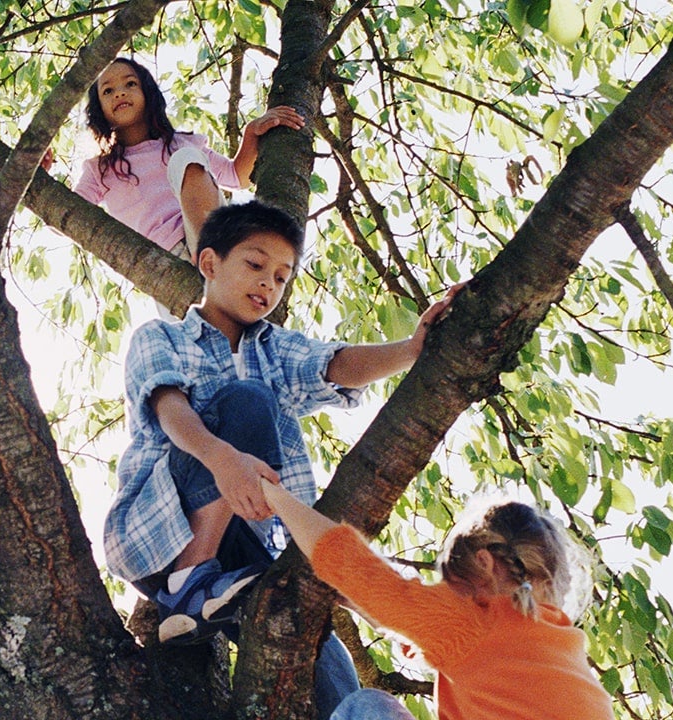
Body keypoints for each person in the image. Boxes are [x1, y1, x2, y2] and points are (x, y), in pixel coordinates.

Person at [104, 200, 460, 717]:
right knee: (247, 401)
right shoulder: (162, 337)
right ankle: (189, 582)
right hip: (162, 530)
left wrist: (411, 349)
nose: (267, 284)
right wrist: (223, 460)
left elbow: (335, 365)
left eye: (280, 276)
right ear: (209, 263)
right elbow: (170, 410)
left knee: (325, 654)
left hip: (244, 554)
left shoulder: (273, 348)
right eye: (255, 264)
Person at [258, 484, 611, 720]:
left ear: (484, 563)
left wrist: (269, 492)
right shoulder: (558, 644)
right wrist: (366, 610)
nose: (443, 596)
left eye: (451, 584)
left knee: (369, 707)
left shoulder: (478, 621)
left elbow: (353, 566)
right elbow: (455, 650)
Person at [74, 57, 306, 264]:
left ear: (147, 93)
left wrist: (252, 133)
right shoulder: (100, 169)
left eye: (130, 84)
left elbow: (237, 176)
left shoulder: (182, 144)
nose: (119, 93)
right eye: (108, 91)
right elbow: (70, 215)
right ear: (99, 109)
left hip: (214, 242)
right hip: (162, 262)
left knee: (185, 158)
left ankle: (216, 255)